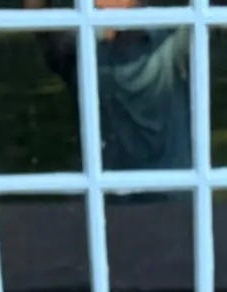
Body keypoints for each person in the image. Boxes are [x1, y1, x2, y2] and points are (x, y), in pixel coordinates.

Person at [32, 0, 192, 171]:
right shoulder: (81, 46)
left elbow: (39, 19)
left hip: (170, 188)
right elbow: (39, 20)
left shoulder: (171, 41)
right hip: (111, 191)